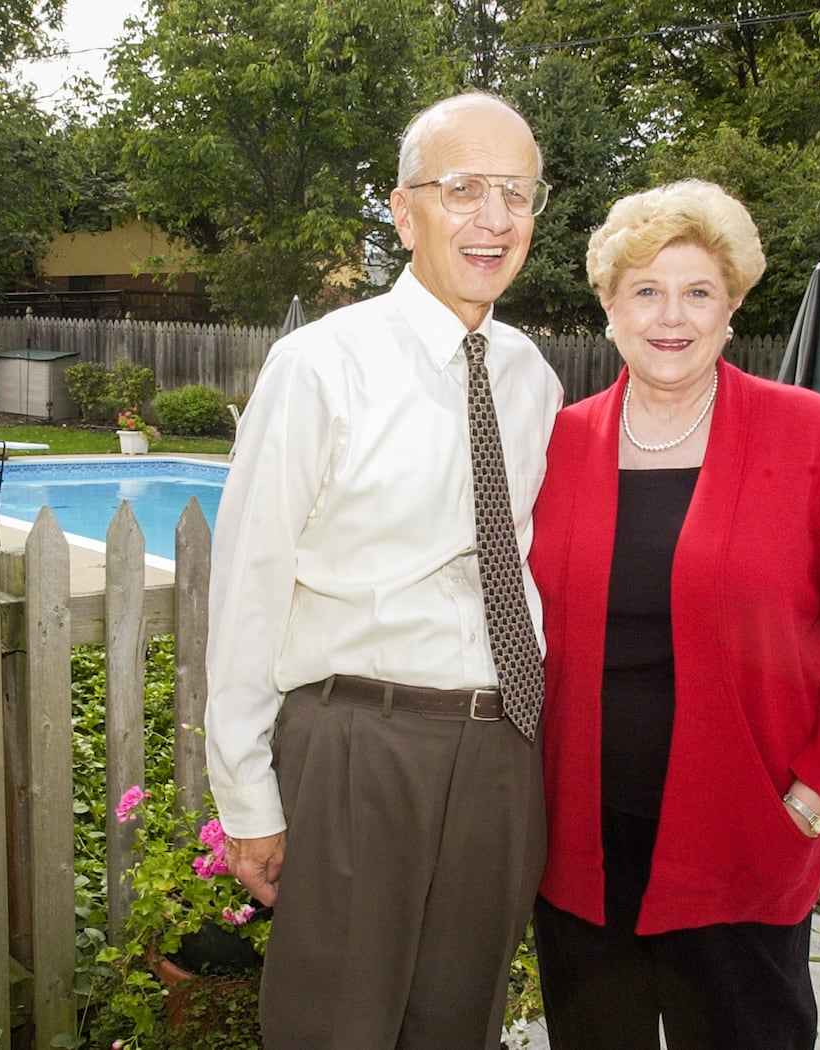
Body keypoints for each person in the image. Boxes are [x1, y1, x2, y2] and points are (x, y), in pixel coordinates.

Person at [203, 91, 563, 1050]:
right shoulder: (321, 366)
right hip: (361, 744)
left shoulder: (534, 375)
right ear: (404, 213)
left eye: (516, 194)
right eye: (464, 189)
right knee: (337, 1029)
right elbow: (248, 585)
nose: (493, 218)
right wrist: (247, 797)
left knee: (462, 1024)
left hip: (500, 749)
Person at [527, 179, 820, 1049]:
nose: (673, 316)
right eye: (647, 291)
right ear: (610, 309)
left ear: (733, 306)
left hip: (742, 840)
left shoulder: (816, 440)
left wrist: (812, 794)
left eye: (698, 291)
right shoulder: (558, 444)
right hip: (584, 846)